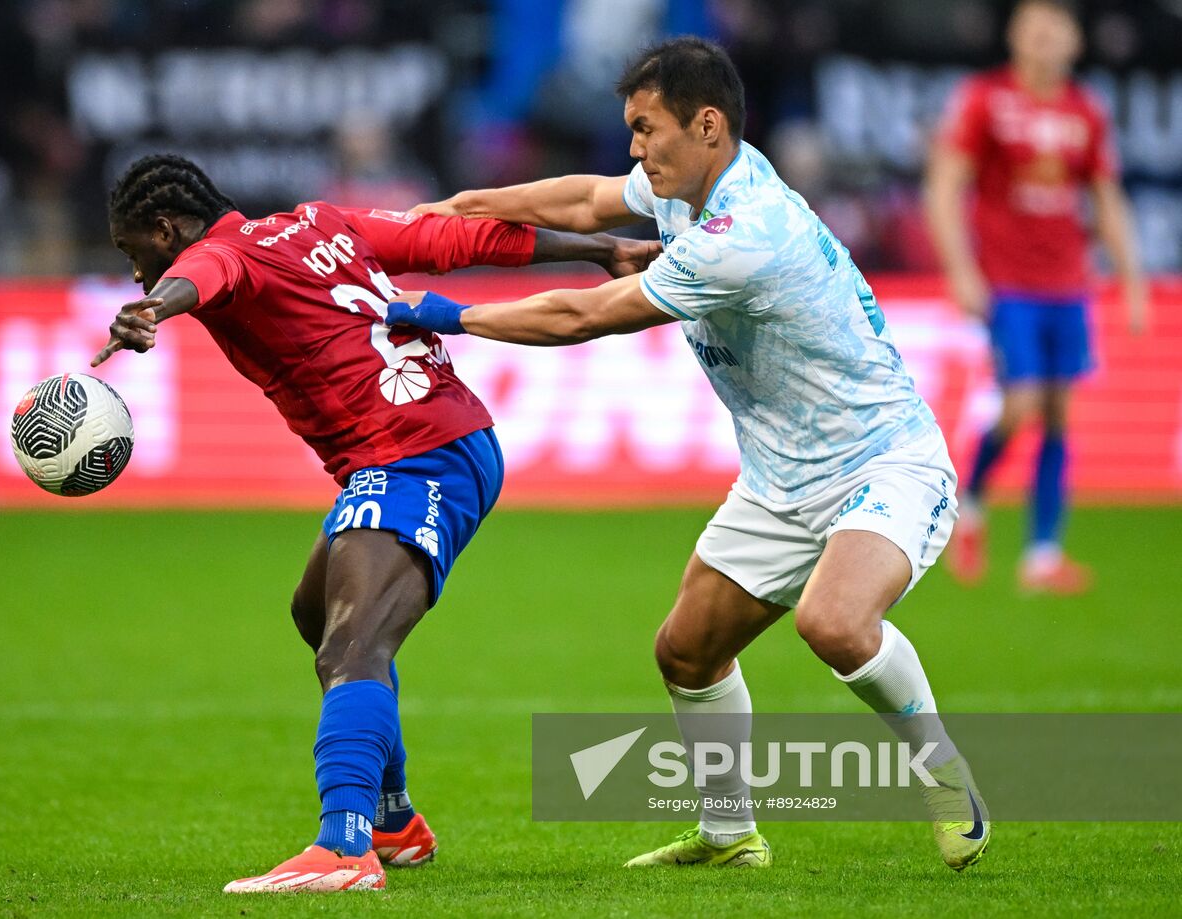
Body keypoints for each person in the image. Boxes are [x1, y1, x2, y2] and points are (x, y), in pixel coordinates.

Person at [391, 37, 989, 872]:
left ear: (706, 125)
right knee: (686, 650)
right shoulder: (692, 183)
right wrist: (464, 206)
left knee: (835, 621)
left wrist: (444, 314)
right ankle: (729, 832)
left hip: (883, 461)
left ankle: (948, 775)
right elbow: (592, 199)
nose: (635, 149)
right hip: (782, 478)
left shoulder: (745, 233)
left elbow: (585, 315)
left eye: (646, 128)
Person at [92, 154, 659, 894]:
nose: (136, 273)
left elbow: (202, 278)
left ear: (166, 228)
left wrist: (154, 310)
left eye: (134, 253)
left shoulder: (218, 257)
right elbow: (456, 240)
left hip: (416, 452)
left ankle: (343, 846)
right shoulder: (318, 222)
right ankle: (392, 821)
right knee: (315, 612)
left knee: (354, 643)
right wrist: (598, 248)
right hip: (428, 441)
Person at [924, 0, 1149, 593]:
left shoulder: (1085, 111)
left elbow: (1106, 197)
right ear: (1016, 36)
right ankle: (967, 503)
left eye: (1057, 28)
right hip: (1009, 283)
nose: (1046, 38)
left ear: (1075, 40)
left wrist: (1130, 281)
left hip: (1067, 283)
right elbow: (946, 185)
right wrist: (961, 270)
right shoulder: (985, 98)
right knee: (1021, 403)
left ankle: (1042, 555)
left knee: (1059, 415)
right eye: (1035, 26)